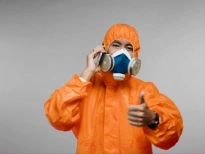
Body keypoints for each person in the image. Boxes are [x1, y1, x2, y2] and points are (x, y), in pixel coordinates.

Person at [44, 23, 184, 154]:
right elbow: (58, 118)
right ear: (104, 50)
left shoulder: (144, 89)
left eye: (129, 48)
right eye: (116, 45)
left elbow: (171, 137)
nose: (122, 53)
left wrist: (153, 120)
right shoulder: (85, 86)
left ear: (135, 55)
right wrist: (87, 72)